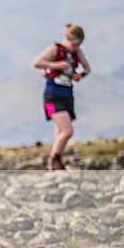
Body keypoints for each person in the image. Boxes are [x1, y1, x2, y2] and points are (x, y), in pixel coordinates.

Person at [32, 24, 90, 171]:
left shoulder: (77, 53)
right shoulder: (55, 49)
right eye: (74, 44)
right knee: (67, 130)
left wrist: (80, 75)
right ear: (68, 39)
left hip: (67, 96)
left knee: (59, 131)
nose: (76, 47)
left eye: (79, 45)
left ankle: (55, 166)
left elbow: (87, 68)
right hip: (50, 99)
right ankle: (54, 159)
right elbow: (37, 63)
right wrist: (58, 65)